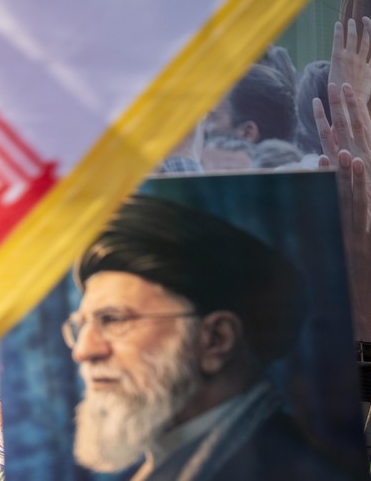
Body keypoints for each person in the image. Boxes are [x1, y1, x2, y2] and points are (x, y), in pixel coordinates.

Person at [63, 195, 355, 480]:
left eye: (113, 320)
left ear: (216, 340)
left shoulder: (291, 469)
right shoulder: (171, 459)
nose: (83, 350)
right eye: (82, 325)